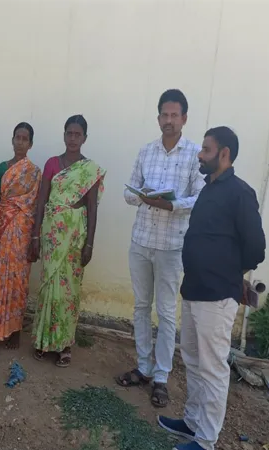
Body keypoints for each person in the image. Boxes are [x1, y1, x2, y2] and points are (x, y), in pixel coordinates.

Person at [159, 127, 265, 450]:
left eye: (206, 149)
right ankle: (192, 423)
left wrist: (230, 272)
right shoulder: (208, 189)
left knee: (213, 368)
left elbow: (256, 248)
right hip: (194, 289)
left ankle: (206, 444)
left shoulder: (240, 193)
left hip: (218, 295)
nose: (200, 154)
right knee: (192, 360)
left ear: (224, 154)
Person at [117, 89, 205, 408]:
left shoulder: (194, 155)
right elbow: (128, 193)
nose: (168, 120)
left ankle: (161, 377)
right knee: (141, 306)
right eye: (164, 115)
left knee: (166, 312)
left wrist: (171, 205)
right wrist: (142, 195)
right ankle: (143, 367)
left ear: (184, 118)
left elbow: (200, 197)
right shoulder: (146, 152)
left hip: (171, 246)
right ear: (158, 118)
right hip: (141, 240)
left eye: (174, 115)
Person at [30, 115, 106, 366]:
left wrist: (89, 244)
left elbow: (92, 208)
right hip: (52, 233)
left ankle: (64, 345)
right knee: (48, 285)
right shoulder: (52, 163)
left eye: (78, 134)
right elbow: (41, 201)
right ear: (64, 135)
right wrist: (35, 235)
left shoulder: (90, 170)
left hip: (75, 235)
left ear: (85, 138)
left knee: (69, 290)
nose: (73, 138)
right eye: (69, 133)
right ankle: (43, 340)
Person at [0, 122, 42, 349]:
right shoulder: (3, 167)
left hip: (23, 231)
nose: (20, 142)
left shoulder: (34, 172)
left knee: (18, 280)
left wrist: (35, 237)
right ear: (12, 140)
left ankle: (15, 330)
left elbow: (35, 206)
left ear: (30, 144)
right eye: (17, 137)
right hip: (3, 227)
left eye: (24, 139)